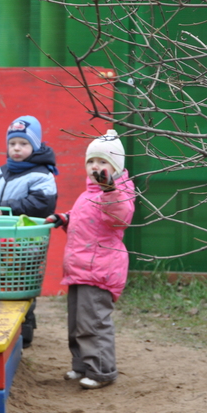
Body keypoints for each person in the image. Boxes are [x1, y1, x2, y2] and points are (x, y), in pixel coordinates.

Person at [45, 129, 135, 389]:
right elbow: (84, 218)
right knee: (76, 324)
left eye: (103, 162)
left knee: (93, 324)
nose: (96, 166)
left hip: (99, 271)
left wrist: (111, 190)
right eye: (91, 161)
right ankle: (82, 365)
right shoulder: (89, 194)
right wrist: (65, 219)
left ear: (116, 167)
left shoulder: (119, 193)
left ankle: (102, 371)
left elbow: (120, 216)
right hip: (80, 269)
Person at [0, 115, 58, 347]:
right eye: (12, 144)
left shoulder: (42, 175)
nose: (17, 149)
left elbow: (42, 203)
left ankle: (25, 327)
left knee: (21, 283)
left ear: (35, 145)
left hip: (25, 243)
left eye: (23, 143)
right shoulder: (1, 172)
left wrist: (8, 209)